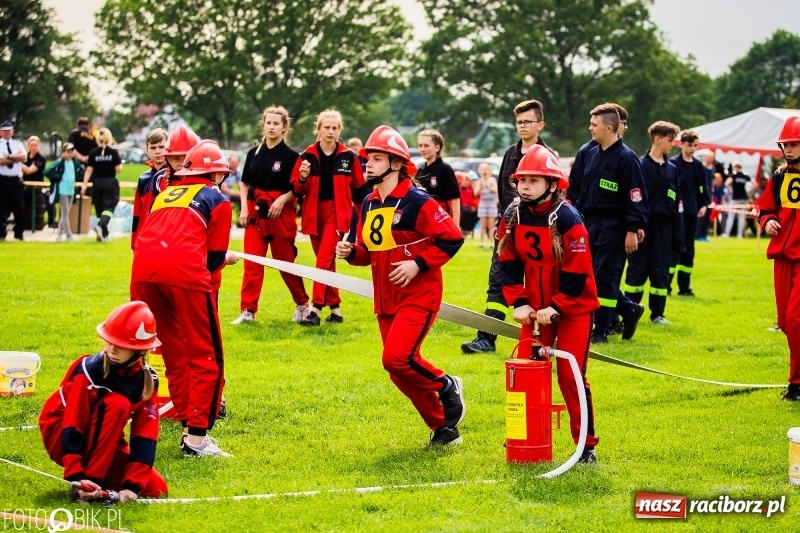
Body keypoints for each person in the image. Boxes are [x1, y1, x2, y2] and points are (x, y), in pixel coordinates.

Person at [335, 125, 466, 446]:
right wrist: (352, 252)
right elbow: (371, 253)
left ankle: (448, 385)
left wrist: (418, 263)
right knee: (398, 371)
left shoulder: (417, 200)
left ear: (395, 164)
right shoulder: (367, 202)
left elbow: (452, 238)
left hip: (419, 295)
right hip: (385, 299)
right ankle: (443, 429)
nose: (367, 164)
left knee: (396, 359)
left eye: (376, 159)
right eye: (367, 158)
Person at [496, 144, 600, 462]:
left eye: (534, 180)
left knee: (570, 374)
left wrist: (556, 307)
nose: (525, 186)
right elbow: (507, 260)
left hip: (573, 308)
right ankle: (527, 435)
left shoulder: (568, 218)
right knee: (526, 370)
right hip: (535, 309)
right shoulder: (512, 215)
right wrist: (520, 303)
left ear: (552, 185)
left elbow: (578, 271)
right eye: (522, 180)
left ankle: (585, 444)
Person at [131, 139, 233, 456]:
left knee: (174, 350)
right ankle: (196, 439)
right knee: (207, 356)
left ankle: (185, 415)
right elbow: (214, 261)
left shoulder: (165, 194)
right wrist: (226, 260)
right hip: (185, 275)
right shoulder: (217, 200)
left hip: (143, 274)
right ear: (217, 174)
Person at [38, 301, 168, 503]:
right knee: (118, 404)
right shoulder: (88, 371)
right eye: (109, 341)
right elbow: (73, 423)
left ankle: (100, 482)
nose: (112, 349)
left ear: (139, 351)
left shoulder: (147, 381)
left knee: (155, 488)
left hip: (104, 437)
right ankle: (90, 481)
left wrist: (132, 487)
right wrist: (78, 477)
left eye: (121, 345)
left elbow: (145, 435)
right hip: (61, 434)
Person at [461, 99, 554, 354]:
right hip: (509, 231)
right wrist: (502, 223)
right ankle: (486, 338)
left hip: (538, 231)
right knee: (498, 281)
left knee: (539, 287)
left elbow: (556, 198)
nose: (522, 126)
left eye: (528, 121)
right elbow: (505, 194)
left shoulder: (548, 157)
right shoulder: (510, 154)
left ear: (540, 124)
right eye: (519, 122)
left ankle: (541, 343)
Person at [568, 104, 648, 344]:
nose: (590, 128)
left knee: (606, 277)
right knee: (591, 275)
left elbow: (636, 195)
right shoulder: (591, 153)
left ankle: (601, 329)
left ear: (609, 128)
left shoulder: (627, 158)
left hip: (615, 227)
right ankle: (629, 309)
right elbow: (577, 188)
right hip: (590, 223)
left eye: (594, 125)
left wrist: (633, 229)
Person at [232, 105, 311, 325]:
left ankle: (303, 306)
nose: (272, 127)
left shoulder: (291, 156)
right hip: (256, 216)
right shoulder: (253, 153)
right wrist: (245, 209)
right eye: (268, 123)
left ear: (285, 127)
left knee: (285, 264)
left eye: (277, 123)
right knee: (252, 265)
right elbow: (245, 181)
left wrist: (282, 199)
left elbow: (299, 187)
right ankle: (248, 311)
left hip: (280, 216)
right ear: (263, 125)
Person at [292, 109, 365, 326]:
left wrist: (363, 221)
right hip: (313, 214)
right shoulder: (306, 156)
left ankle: (315, 310)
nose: (331, 132)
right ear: (319, 129)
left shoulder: (348, 157)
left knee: (323, 260)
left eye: (335, 128)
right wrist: (303, 177)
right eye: (327, 127)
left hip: (337, 213)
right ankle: (336, 310)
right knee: (328, 264)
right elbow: (297, 188)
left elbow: (360, 190)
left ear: (339, 130)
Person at [757, 116, 800, 401]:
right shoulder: (779, 175)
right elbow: (764, 208)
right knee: (785, 322)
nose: (789, 149)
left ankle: (796, 382)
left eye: (794, 144)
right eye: (786, 144)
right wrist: (768, 220)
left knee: (796, 320)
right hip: (783, 258)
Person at [623, 121, 681, 324]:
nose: (673, 144)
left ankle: (658, 313)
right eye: (669, 139)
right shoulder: (639, 165)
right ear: (657, 139)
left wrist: (677, 234)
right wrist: (635, 224)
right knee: (636, 272)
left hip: (664, 229)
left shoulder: (672, 169)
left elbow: (676, 203)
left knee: (660, 272)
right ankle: (629, 311)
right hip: (643, 228)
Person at [668, 130, 710, 296]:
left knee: (689, 251)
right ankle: (666, 286)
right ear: (681, 144)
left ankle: (684, 288)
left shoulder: (698, 166)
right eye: (689, 145)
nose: (693, 148)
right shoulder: (673, 164)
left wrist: (704, 204)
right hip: (676, 215)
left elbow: (704, 188)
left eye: (695, 145)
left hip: (692, 213)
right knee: (674, 250)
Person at [80, 128, 122, 243]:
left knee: (100, 208)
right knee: (109, 207)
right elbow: (119, 169)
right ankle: (100, 225)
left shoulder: (93, 153)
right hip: (109, 182)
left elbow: (88, 170)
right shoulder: (113, 152)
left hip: (96, 183)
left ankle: (104, 234)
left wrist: (84, 186)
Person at [130, 128, 169, 251]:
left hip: (168, 238)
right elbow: (137, 213)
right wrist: (134, 242)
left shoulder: (175, 176)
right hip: (145, 240)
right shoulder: (143, 179)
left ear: (168, 148)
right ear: (146, 150)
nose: (157, 151)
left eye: (161, 147)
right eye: (153, 147)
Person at [416, 129, 461, 227]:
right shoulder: (420, 170)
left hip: (440, 216)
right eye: (420, 145)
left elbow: (455, 198)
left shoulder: (445, 169)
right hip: (423, 216)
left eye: (426, 145)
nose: (422, 149)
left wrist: (455, 225)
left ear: (437, 147)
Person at [44, 143, 84, 242]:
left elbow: (80, 171)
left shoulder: (74, 163)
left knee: (65, 213)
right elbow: (47, 171)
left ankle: (59, 234)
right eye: (68, 152)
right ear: (63, 152)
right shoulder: (59, 162)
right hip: (62, 190)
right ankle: (69, 235)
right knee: (65, 212)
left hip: (71, 189)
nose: (70, 154)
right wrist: (57, 177)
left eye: (71, 152)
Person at [0, 120, 28, 241]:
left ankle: (19, 233)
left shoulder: (17, 144)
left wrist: (9, 157)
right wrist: (16, 158)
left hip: (16, 180)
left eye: (9, 130)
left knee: (19, 207)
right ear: (1, 132)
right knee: (1, 209)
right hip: (3, 180)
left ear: (13, 131)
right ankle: (1, 233)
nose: (7, 133)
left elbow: (24, 157)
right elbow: (0, 161)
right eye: (5, 131)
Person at [21, 135, 54, 228]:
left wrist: (16, 162)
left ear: (38, 146)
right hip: (24, 184)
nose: (33, 147)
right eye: (31, 145)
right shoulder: (24, 157)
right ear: (28, 146)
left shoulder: (40, 159)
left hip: (36, 186)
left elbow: (29, 170)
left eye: (35, 145)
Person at [474, 162, 499, 248]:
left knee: (491, 224)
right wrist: (481, 186)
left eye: (486, 169)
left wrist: (487, 186)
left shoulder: (492, 180)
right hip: (483, 203)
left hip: (491, 203)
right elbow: (475, 193)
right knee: (483, 225)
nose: (484, 171)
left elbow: (495, 190)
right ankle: (481, 242)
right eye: (482, 170)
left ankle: (491, 243)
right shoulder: (479, 181)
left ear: (489, 171)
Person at [723, 161, 750, 238]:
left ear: (735, 167)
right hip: (744, 198)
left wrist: (730, 190)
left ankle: (727, 233)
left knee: (731, 216)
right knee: (741, 217)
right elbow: (754, 184)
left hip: (735, 198)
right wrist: (749, 192)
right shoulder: (745, 176)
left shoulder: (734, 176)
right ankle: (739, 235)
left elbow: (726, 184)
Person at [220, 154, 242, 219]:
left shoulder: (238, 172)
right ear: (229, 162)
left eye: (236, 163)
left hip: (230, 193)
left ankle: (241, 218)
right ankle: (226, 218)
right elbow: (223, 188)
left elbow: (241, 185)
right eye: (232, 162)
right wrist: (239, 193)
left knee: (244, 197)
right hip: (222, 193)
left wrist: (242, 194)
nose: (234, 164)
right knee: (226, 197)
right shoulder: (224, 171)